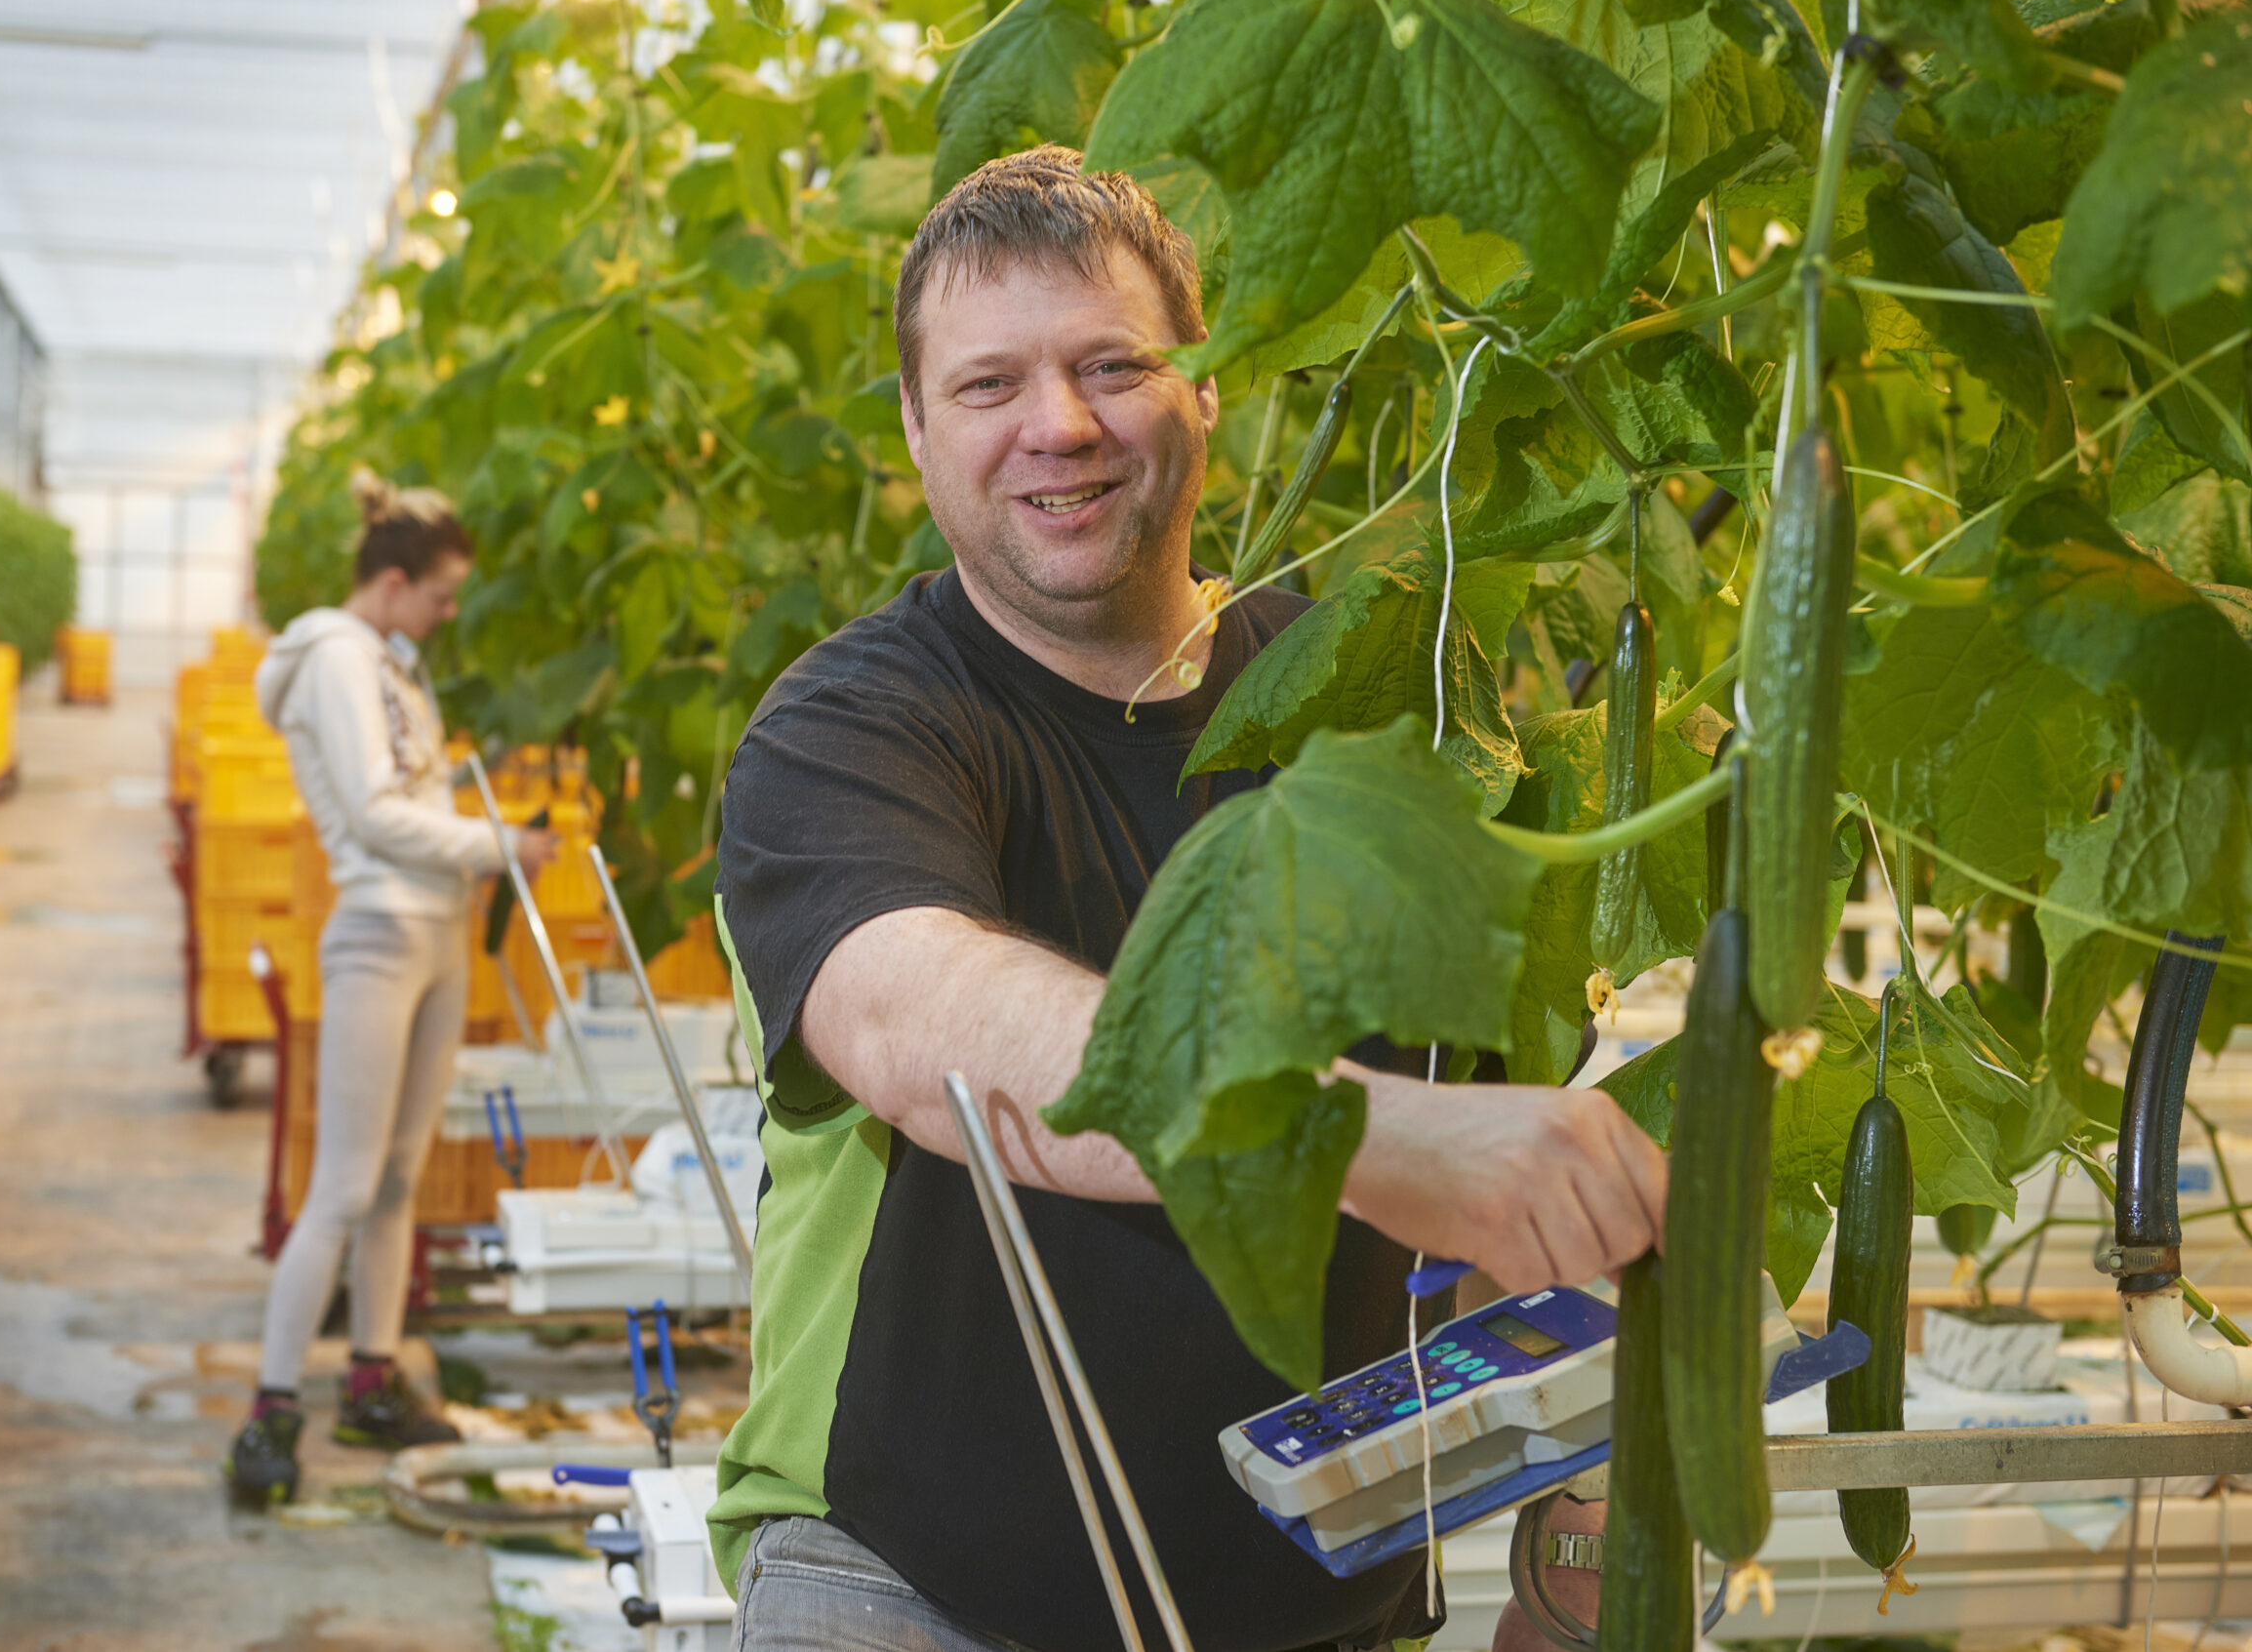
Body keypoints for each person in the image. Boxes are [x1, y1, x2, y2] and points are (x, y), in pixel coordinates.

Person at [707, 146, 1670, 1652]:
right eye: (988, 386)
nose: (1060, 426)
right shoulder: (852, 730)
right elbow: (922, 1026)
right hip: (914, 1582)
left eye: (1115, 364)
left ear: (1209, 389)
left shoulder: (1386, 708)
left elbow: (1514, 1194)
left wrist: (1578, 1553)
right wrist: (1355, 1137)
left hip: (1319, 1604)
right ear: (912, 426)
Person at [225, 472, 558, 1507]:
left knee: (398, 1177)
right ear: (395, 579)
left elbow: (410, 786)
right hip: (376, 929)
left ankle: (372, 1375)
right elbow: (371, 811)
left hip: (435, 927)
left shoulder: (390, 664)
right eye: (443, 594)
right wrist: (496, 843)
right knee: (342, 1183)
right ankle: (270, 1412)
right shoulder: (333, 656)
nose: (450, 614)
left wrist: (475, 789)